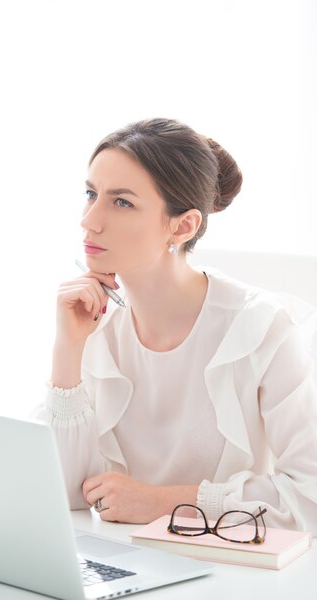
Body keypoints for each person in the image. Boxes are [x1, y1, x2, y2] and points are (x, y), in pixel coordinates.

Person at [30, 118, 317, 533]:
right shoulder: (95, 326)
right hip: (123, 563)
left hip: (231, 577)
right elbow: (65, 491)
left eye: (121, 202)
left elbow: (309, 495)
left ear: (183, 226)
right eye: (91, 194)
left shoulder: (261, 328)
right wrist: (66, 351)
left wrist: (160, 503)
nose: (89, 220)